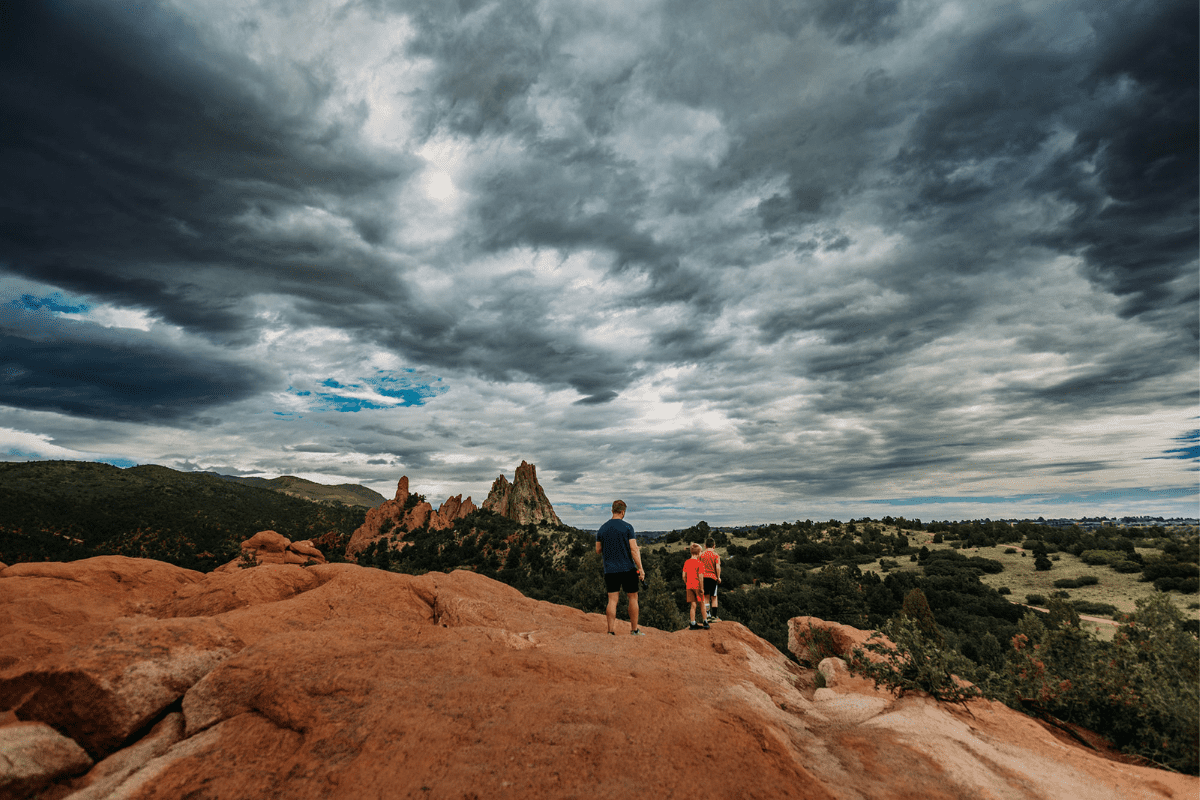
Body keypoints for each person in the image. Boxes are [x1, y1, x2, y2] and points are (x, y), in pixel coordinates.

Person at [594, 500, 645, 635]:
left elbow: (598, 550)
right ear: (623, 512)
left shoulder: (602, 528)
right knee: (633, 598)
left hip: (610, 570)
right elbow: (634, 550)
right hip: (628, 568)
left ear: (612, 511)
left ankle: (611, 631)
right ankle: (634, 630)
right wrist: (641, 568)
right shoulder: (628, 527)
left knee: (612, 600)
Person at [681, 542, 709, 630]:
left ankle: (693, 623)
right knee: (702, 604)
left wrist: (687, 583)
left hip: (689, 586)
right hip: (697, 586)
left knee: (693, 605)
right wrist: (701, 588)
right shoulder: (700, 563)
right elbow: (701, 578)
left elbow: (683, 575)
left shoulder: (687, 562)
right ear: (698, 553)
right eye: (701, 552)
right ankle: (705, 621)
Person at [700, 537, 722, 622]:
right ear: (714, 546)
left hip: (703, 578)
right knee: (714, 597)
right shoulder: (716, 555)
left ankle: (707, 615)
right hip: (713, 578)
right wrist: (718, 577)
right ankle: (714, 616)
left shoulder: (701, 555)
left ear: (705, 546)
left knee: (706, 597)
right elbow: (717, 567)